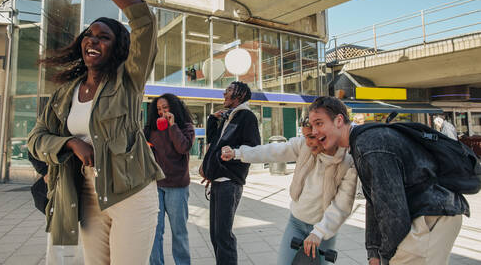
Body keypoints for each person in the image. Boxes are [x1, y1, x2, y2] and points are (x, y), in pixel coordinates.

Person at [27, 0, 164, 265]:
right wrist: (69, 143)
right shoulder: (65, 94)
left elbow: (142, 18)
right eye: (89, 34)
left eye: (104, 37)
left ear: (118, 48)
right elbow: (36, 138)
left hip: (131, 192)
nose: (93, 39)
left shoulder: (127, 80)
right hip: (86, 193)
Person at [308, 96, 469, 265]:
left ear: (339, 120)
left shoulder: (368, 145)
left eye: (319, 123)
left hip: (431, 215)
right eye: (312, 125)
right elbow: (375, 200)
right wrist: (374, 251)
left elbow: (392, 211)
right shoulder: (362, 140)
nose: (314, 131)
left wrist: (385, 255)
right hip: (435, 212)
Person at [220, 114, 357, 265]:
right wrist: (238, 153)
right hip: (296, 223)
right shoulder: (302, 146)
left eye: (312, 137)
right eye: (305, 137)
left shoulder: (347, 161)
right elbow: (272, 151)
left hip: (323, 229)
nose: (308, 143)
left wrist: (319, 232)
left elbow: (342, 205)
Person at [199, 81, 260, 265]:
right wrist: (212, 120)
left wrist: (223, 165)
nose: (224, 93)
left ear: (240, 95)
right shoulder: (230, 117)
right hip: (219, 182)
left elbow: (252, 148)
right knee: (216, 235)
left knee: (223, 236)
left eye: (229, 90)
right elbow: (214, 143)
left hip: (229, 183)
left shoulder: (246, 117)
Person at [144, 94, 195, 265]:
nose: (162, 112)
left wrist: (172, 126)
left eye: (165, 107)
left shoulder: (186, 127)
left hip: (177, 187)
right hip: (155, 186)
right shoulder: (151, 129)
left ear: (173, 107)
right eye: (158, 109)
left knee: (179, 233)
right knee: (154, 233)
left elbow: (183, 148)